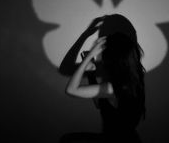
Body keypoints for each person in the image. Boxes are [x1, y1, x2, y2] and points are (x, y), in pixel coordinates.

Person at [59, 14, 146, 143]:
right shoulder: (135, 78)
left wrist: (89, 54)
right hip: (128, 138)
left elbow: (71, 89)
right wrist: (91, 73)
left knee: (66, 140)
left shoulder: (112, 88)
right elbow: (99, 104)